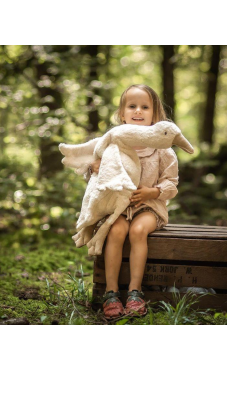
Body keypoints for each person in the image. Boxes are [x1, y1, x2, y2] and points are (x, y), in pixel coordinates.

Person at [85, 84, 179, 319]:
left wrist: (153, 192)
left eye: (145, 107)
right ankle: (111, 292)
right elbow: (95, 176)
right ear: (122, 113)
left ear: (155, 115)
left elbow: (172, 184)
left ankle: (135, 292)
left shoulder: (162, 148)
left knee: (138, 231)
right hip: (119, 208)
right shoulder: (113, 144)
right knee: (116, 231)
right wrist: (94, 167)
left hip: (149, 207)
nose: (138, 111)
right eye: (132, 106)